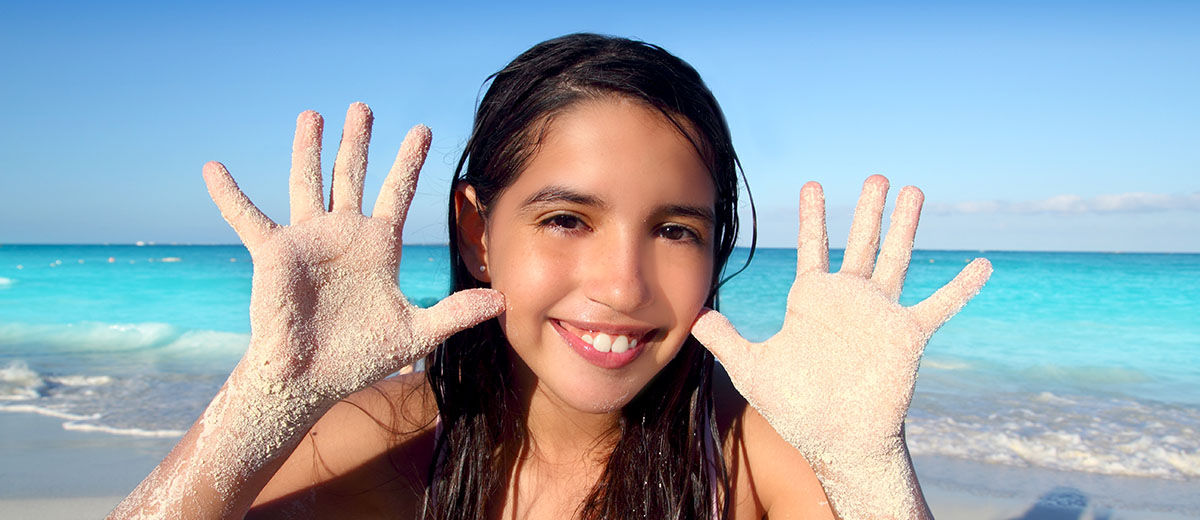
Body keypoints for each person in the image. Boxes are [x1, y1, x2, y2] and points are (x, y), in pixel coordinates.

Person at [110, 33, 991, 519]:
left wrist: (870, 471)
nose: (621, 284)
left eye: (676, 230)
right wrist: (262, 402)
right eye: (567, 218)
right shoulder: (379, 442)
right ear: (477, 230)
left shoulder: (753, 459)